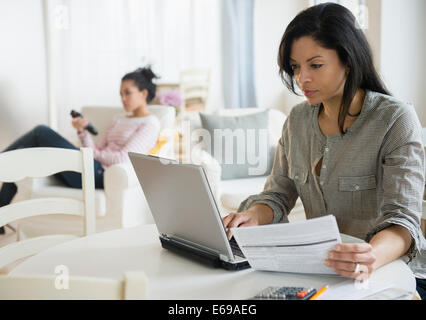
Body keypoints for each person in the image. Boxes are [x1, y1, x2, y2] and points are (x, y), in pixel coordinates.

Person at [223, 2, 426, 290]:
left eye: (315, 65)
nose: (302, 78)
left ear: (349, 60)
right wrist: (251, 216)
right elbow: (278, 194)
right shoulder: (297, 120)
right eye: (295, 66)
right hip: (321, 273)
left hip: (389, 274)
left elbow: (403, 221)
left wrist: (370, 256)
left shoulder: (395, 119)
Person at [0, 66, 161, 234]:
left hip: (102, 176)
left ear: (143, 94)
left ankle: (1, 161)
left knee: (41, 131)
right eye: (120, 94)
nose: (123, 98)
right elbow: (96, 149)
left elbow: (122, 158)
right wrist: (83, 133)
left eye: (127, 93)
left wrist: (91, 155)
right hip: (91, 166)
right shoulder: (118, 119)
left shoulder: (150, 123)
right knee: (25, 151)